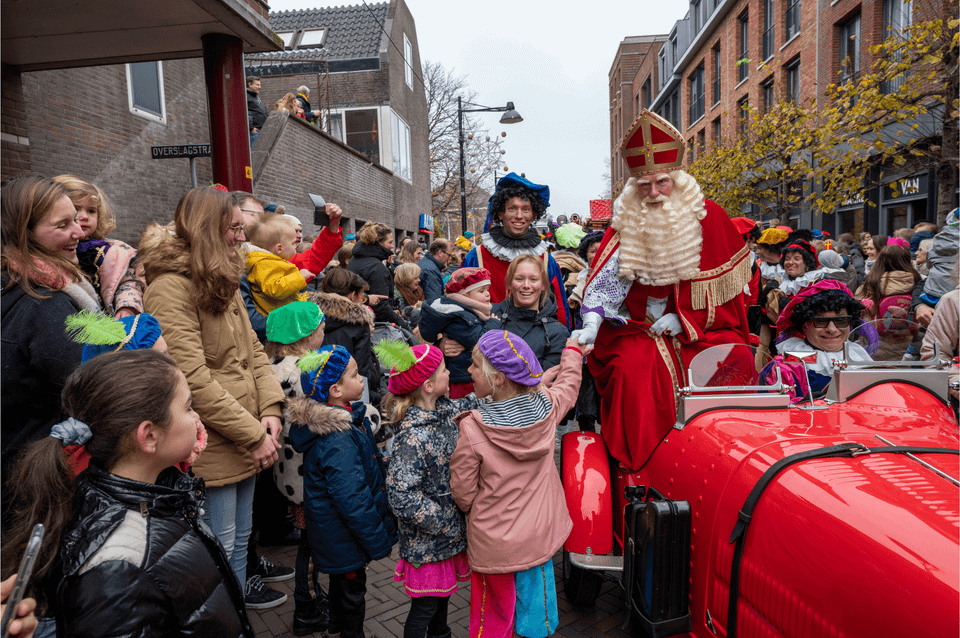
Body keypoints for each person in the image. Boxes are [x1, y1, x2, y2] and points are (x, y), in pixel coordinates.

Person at [1, 349, 254, 637]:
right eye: (188, 407)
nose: (196, 417)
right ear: (148, 436)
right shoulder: (118, 569)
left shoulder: (161, 494)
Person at [573, 109, 751, 473]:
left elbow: (730, 299)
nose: (653, 193)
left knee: (736, 359)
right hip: (637, 328)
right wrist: (592, 323)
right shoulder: (626, 220)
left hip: (699, 330)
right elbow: (604, 288)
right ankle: (640, 470)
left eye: (662, 183)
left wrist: (685, 318)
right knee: (633, 372)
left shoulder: (711, 219)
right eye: (643, 185)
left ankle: (723, 460)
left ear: (679, 180)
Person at [139, 186, 287, 609]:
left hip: (246, 432)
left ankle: (237, 618)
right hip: (216, 439)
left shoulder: (221, 276)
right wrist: (253, 434)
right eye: (235, 229)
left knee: (239, 542)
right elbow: (191, 379)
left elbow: (253, 353)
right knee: (218, 549)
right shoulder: (170, 288)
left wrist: (271, 410)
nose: (242, 238)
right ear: (208, 231)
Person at [451, 330, 587, 638]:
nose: (469, 371)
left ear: (497, 379)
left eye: (475, 366)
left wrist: (476, 508)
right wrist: (572, 352)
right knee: (534, 612)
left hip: (494, 545)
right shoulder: (548, 407)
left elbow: (463, 491)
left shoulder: (473, 429)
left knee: (494, 617)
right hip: (537, 539)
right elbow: (568, 386)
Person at [286, 345, 398, 638]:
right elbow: (352, 497)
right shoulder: (338, 439)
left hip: (338, 535)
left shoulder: (346, 420)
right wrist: (377, 540)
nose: (362, 378)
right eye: (354, 374)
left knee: (342, 587)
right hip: (343, 536)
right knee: (351, 595)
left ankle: (334, 630)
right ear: (335, 390)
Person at [1, 176, 101, 500]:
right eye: (62, 225)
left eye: (77, 218)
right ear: (24, 235)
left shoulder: (15, 287)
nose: (80, 231)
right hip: (40, 484)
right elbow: (98, 387)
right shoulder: (46, 307)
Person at [376, 342, 479, 638]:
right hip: (428, 545)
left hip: (443, 544)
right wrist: (445, 522)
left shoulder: (444, 411)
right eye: (445, 369)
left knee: (441, 605)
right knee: (424, 611)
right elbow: (401, 495)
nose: (451, 372)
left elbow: (469, 404)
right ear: (429, 385)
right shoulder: (413, 437)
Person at [263, 302, 330, 636]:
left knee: (310, 539)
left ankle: (313, 595)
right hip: (309, 473)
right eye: (319, 326)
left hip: (290, 472)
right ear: (305, 334)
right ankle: (307, 606)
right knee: (313, 543)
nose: (323, 330)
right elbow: (319, 418)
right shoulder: (303, 371)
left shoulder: (272, 366)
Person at [462, 173, 572, 328]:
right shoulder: (477, 256)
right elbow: (459, 304)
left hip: (535, 345)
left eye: (525, 209)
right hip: (487, 342)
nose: (519, 216)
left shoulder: (546, 260)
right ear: (501, 213)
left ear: (534, 214)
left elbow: (560, 311)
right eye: (512, 208)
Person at [761, 280, 872, 401]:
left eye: (840, 321)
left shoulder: (860, 357)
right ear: (804, 325)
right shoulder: (786, 366)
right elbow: (773, 409)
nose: (832, 329)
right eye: (821, 321)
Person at [52, 174, 144, 318]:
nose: (84, 216)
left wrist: (127, 306)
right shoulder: (54, 250)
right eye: (76, 209)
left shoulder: (109, 251)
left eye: (91, 211)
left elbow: (128, 282)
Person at [311, 268, 382, 406]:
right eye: (361, 295)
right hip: (349, 396)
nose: (362, 300)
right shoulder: (358, 324)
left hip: (316, 392)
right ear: (352, 295)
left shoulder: (311, 317)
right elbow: (362, 369)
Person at [484, 255, 568, 370]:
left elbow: (547, 381)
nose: (526, 286)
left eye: (533, 279)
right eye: (519, 279)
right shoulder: (489, 314)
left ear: (543, 285)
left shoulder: (556, 332)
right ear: (509, 283)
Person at [419, 268, 493, 398]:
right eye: (481, 291)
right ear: (464, 296)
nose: (487, 294)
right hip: (464, 377)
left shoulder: (472, 312)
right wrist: (494, 323)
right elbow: (479, 339)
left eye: (487, 290)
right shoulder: (461, 316)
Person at [856, 244, 921, 359]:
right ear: (907, 260)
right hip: (911, 346)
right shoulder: (918, 281)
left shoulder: (871, 282)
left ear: (880, 261)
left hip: (877, 346)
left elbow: (860, 315)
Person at [244, 214, 309, 316]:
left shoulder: (272, 261)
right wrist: (300, 277)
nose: (296, 246)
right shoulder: (264, 264)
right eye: (293, 244)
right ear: (279, 248)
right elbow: (275, 289)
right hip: (277, 322)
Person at [349, 222, 409, 327]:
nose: (392, 246)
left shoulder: (356, 258)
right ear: (378, 243)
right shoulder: (377, 268)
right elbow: (382, 307)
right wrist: (404, 325)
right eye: (390, 242)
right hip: (372, 324)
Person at [247, 76, 267, 145]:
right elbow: (246, 113)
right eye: (257, 85)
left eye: (260, 85)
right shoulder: (246, 96)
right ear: (250, 84)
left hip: (259, 131)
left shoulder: (254, 96)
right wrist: (251, 128)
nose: (260, 87)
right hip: (254, 133)